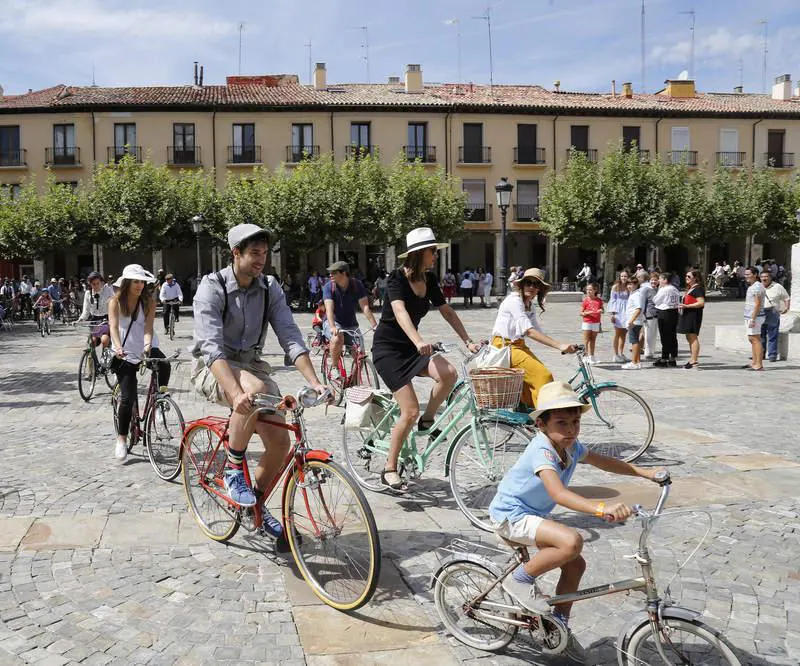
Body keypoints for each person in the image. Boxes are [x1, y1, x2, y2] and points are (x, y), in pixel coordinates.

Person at [488, 380, 663, 663]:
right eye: (561, 422)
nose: (570, 429)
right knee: (572, 542)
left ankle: (558, 627)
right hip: (510, 515)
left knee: (576, 563)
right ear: (541, 425)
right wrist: (599, 508)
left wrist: (645, 473)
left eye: (575, 422)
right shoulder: (541, 450)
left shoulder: (569, 446)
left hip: (532, 515)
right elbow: (558, 493)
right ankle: (518, 581)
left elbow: (603, 461)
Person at [190, 223, 327, 543]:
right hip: (213, 367)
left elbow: (290, 336)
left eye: (265, 253)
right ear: (235, 253)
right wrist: (237, 393)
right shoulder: (212, 287)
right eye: (254, 253)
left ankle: (257, 508)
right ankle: (233, 469)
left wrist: (316, 382)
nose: (261, 260)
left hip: (251, 367)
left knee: (280, 444)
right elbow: (211, 348)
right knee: (254, 391)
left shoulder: (269, 288)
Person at [371, 227, 481, 492]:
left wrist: (468, 340)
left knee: (449, 373)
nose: (436, 256)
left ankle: (428, 419)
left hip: (412, 348)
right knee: (408, 411)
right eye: (433, 251)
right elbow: (399, 311)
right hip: (388, 351)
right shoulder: (396, 279)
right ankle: (389, 469)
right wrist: (419, 340)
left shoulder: (430, 280)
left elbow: (447, 311)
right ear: (420, 253)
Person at [109, 264, 172, 462]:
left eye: (142, 281)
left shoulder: (148, 302)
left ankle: (160, 401)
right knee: (128, 398)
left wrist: (147, 346)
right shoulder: (115, 302)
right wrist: (118, 348)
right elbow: (113, 327)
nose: (139, 285)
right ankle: (121, 439)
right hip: (124, 351)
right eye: (135, 281)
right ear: (126, 282)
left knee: (164, 363)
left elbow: (148, 328)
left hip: (144, 345)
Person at [491, 268, 576, 408]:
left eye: (536, 285)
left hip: (516, 346)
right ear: (522, 284)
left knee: (532, 379)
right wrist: (559, 346)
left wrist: (565, 345)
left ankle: (528, 412)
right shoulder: (514, 301)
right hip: (504, 347)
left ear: (539, 289)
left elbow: (537, 331)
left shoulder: (529, 305)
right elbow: (529, 331)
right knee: (543, 376)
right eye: (528, 283)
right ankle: (543, 417)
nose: (531, 287)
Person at [323, 260, 378, 377]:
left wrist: (375, 325)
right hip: (333, 322)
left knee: (359, 354)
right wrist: (332, 327)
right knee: (337, 337)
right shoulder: (329, 287)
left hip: (351, 324)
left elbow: (365, 306)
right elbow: (329, 309)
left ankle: (353, 379)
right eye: (330, 273)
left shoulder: (356, 285)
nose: (330, 275)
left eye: (334, 272)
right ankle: (334, 367)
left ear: (344, 273)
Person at [75, 271, 114, 348]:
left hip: (106, 319)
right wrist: (81, 319)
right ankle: (91, 358)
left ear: (102, 282)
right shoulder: (88, 293)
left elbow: (114, 304)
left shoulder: (108, 290)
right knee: (92, 341)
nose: (96, 286)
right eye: (93, 284)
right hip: (94, 320)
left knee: (104, 340)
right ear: (90, 284)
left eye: (98, 283)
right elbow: (86, 310)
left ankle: (105, 356)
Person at [677, 269, 705, 369]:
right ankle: (692, 358)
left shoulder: (698, 289)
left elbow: (701, 303)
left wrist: (687, 306)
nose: (686, 278)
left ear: (695, 278)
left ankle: (694, 361)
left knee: (693, 337)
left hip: (693, 315)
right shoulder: (690, 288)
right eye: (686, 276)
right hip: (687, 315)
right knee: (689, 337)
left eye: (689, 276)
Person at [758, 269, 789, 362]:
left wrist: (786, 308)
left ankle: (772, 355)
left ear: (770, 277)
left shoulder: (778, 286)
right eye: (762, 277)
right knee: (760, 335)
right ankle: (761, 354)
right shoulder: (757, 286)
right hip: (760, 312)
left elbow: (786, 298)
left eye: (766, 276)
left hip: (772, 312)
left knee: (772, 334)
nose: (764, 278)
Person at [653, 272, 681, 367]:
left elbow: (656, 300)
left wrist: (659, 290)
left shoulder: (664, 289)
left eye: (660, 279)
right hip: (674, 312)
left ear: (665, 280)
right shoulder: (675, 289)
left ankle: (664, 358)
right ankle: (672, 358)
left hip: (664, 312)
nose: (659, 281)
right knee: (672, 336)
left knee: (664, 336)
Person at [743, 267, 766, 371]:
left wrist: (753, 318)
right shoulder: (753, 286)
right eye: (745, 274)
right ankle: (754, 362)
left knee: (755, 339)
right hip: (750, 316)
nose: (746, 276)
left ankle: (759, 364)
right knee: (752, 339)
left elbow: (757, 304)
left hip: (755, 317)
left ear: (755, 274)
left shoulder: (757, 287)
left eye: (748, 274)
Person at [607, 269, 630, 362]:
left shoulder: (629, 287)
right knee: (617, 333)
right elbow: (612, 300)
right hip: (618, 311)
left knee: (624, 334)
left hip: (627, 310)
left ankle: (621, 353)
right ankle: (615, 354)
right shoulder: (616, 287)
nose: (624, 278)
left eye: (625, 276)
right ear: (619, 277)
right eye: (622, 276)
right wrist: (612, 314)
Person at [621, 276, 644, 370]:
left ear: (636, 284)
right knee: (635, 341)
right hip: (635, 321)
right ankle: (637, 361)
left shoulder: (636, 294)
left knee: (634, 341)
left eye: (632, 284)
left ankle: (634, 362)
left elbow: (638, 309)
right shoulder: (633, 294)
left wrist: (631, 320)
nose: (630, 286)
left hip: (634, 321)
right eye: (628, 284)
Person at [579, 282, 603, 364]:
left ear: (595, 290)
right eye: (587, 290)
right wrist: (587, 313)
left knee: (593, 340)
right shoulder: (585, 300)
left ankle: (592, 356)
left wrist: (600, 310)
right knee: (586, 340)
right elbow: (581, 313)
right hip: (587, 322)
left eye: (590, 290)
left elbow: (602, 309)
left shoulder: (599, 300)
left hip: (596, 322)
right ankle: (585, 357)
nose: (588, 291)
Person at [637, 270, 658, 360]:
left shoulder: (658, 289)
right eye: (652, 280)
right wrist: (643, 315)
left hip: (656, 315)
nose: (653, 282)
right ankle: (648, 353)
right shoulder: (646, 290)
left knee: (654, 334)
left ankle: (651, 352)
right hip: (648, 314)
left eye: (655, 280)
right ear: (649, 281)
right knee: (648, 334)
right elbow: (642, 303)